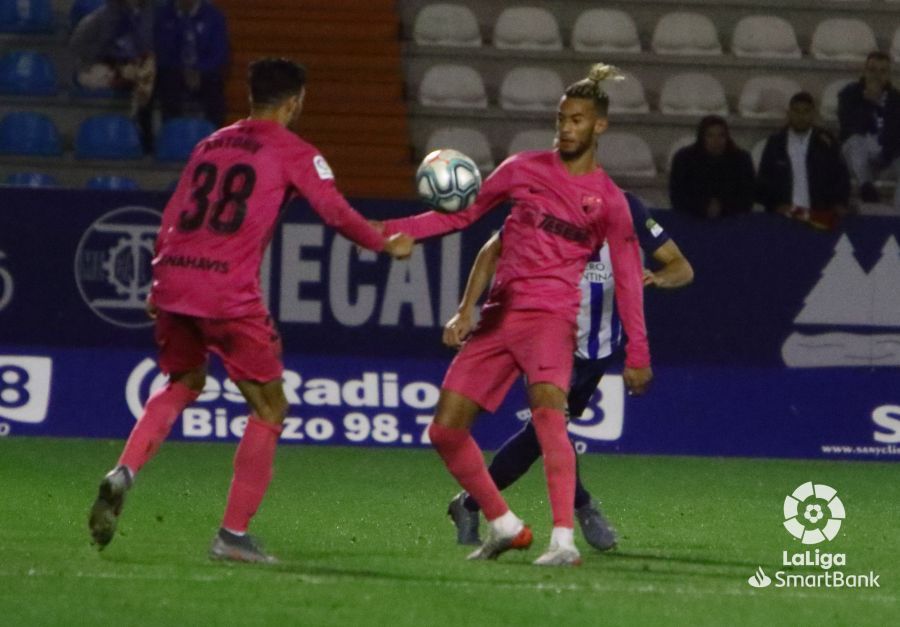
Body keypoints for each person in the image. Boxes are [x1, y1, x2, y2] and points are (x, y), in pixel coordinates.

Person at [87, 58, 414, 563]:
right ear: (295, 101)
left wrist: (159, 278)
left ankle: (124, 471)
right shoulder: (295, 151)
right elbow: (335, 212)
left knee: (183, 384)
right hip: (226, 292)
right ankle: (232, 536)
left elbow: (173, 214)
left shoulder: (209, 143)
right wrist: (382, 243)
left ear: (250, 97)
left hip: (174, 276)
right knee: (270, 408)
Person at [380, 64, 653, 566]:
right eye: (561, 118)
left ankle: (563, 542)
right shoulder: (521, 169)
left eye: (577, 120)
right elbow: (462, 215)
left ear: (599, 127)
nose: (566, 127)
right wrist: (392, 229)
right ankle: (504, 524)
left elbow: (631, 278)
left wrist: (638, 351)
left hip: (551, 319)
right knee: (444, 431)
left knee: (550, 420)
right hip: (498, 316)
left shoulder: (610, 201)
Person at [444, 193, 693, 549]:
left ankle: (469, 504)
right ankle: (585, 507)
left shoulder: (628, 210)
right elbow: (491, 250)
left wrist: (654, 278)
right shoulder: (546, 204)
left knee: (540, 435)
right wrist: (466, 310)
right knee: (552, 427)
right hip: (547, 338)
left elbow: (681, 267)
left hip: (599, 348)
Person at [70, 0, 156, 149]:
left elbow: (152, 46)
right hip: (108, 65)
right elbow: (77, 44)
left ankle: (144, 133)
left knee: (148, 76)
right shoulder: (103, 16)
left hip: (139, 66)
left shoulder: (152, 15)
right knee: (94, 75)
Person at [757, 92, 850, 230]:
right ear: (789, 113)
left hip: (819, 216)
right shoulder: (776, 142)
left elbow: (841, 176)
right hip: (785, 216)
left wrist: (838, 203)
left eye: (806, 111)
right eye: (796, 111)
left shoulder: (827, 142)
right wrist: (775, 205)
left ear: (813, 114)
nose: (801, 116)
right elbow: (764, 179)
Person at [154, 0, 229, 130]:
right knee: (165, 82)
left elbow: (219, 53)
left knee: (214, 87)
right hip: (174, 71)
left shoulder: (213, 15)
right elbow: (161, 51)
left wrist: (198, 70)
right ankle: (170, 132)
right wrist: (184, 70)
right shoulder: (164, 15)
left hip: (204, 72)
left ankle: (215, 134)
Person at [838, 51, 900, 207]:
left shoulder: (896, 99)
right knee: (855, 141)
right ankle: (867, 187)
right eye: (872, 70)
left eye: (882, 71)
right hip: (856, 159)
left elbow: (896, 134)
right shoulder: (849, 94)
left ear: (888, 75)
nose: (877, 75)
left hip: (886, 156)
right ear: (864, 71)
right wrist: (870, 103)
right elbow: (850, 127)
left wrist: (880, 104)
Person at [669, 115, 755, 218]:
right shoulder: (684, 158)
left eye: (721, 135)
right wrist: (703, 206)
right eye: (710, 135)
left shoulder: (741, 159)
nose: (716, 141)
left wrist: (723, 207)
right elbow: (677, 196)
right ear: (702, 137)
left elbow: (748, 196)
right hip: (693, 220)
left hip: (732, 220)